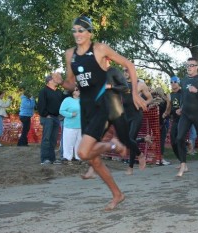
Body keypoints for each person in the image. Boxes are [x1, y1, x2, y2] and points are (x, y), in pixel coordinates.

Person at [62, 16, 147, 211]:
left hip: (103, 106)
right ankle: (118, 194)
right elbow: (70, 83)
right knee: (92, 158)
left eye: (81, 30)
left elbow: (130, 65)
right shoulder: (69, 54)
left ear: (90, 33)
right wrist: (60, 82)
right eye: (74, 30)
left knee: (82, 152)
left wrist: (134, 92)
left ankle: (113, 145)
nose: (77, 34)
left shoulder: (99, 49)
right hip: (86, 108)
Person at [122, 67, 152, 175]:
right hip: (125, 115)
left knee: (131, 139)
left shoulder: (140, 84)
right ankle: (144, 140)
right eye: (124, 70)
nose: (125, 72)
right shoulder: (121, 82)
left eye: (127, 70)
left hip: (136, 115)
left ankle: (131, 167)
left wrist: (144, 103)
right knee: (127, 141)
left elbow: (150, 98)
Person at [37, 73, 67, 165]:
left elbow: (65, 100)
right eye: (55, 78)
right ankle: (45, 159)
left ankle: (52, 159)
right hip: (48, 118)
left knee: (53, 139)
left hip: (56, 118)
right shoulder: (44, 91)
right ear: (50, 80)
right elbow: (40, 105)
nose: (57, 80)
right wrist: (46, 114)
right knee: (46, 138)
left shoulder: (58, 92)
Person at [59, 87, 82, 164]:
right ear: (72, 92)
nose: (79, 91)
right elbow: (61, 111)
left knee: (79, 142)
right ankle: (67, 158)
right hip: (70, 125)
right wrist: (71, 114)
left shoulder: (82, 100)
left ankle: (78, 157)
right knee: (68, 142)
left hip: (80, 125)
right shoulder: (67, 100)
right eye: (77, 90)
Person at [150, 87, 171, 165]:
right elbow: (167, 112)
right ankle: (161, 159)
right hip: (162, 124)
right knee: (161, 142)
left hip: (154, 124)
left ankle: (157, 158)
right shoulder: (164, 102)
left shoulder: (152, 103)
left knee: (156, 141)